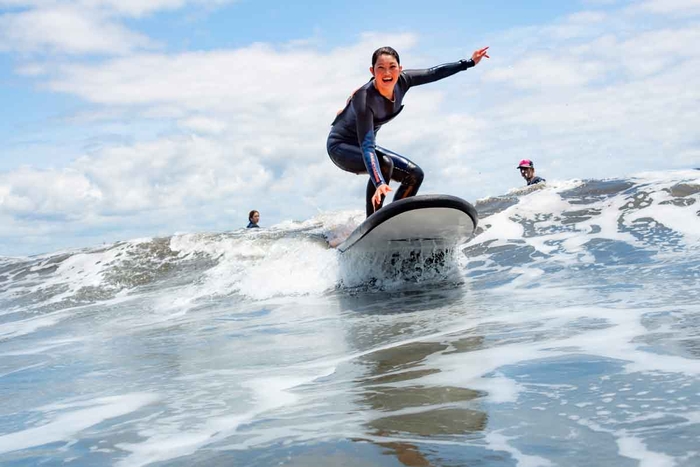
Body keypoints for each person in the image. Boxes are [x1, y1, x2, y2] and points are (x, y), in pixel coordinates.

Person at [327, 45, 490, 217]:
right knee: (385, 164)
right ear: (372, 71)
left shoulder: (404, 81)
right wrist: (379, 183)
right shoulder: (364, 98)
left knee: (414, 174)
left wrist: (469, 62)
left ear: (400, 68)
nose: (387, 73)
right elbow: (367, 146)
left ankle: (393, 220)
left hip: (363, 148)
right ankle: (373, 222)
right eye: (380, 68)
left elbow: (433, 73)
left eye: (392, 67)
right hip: (341, 147)